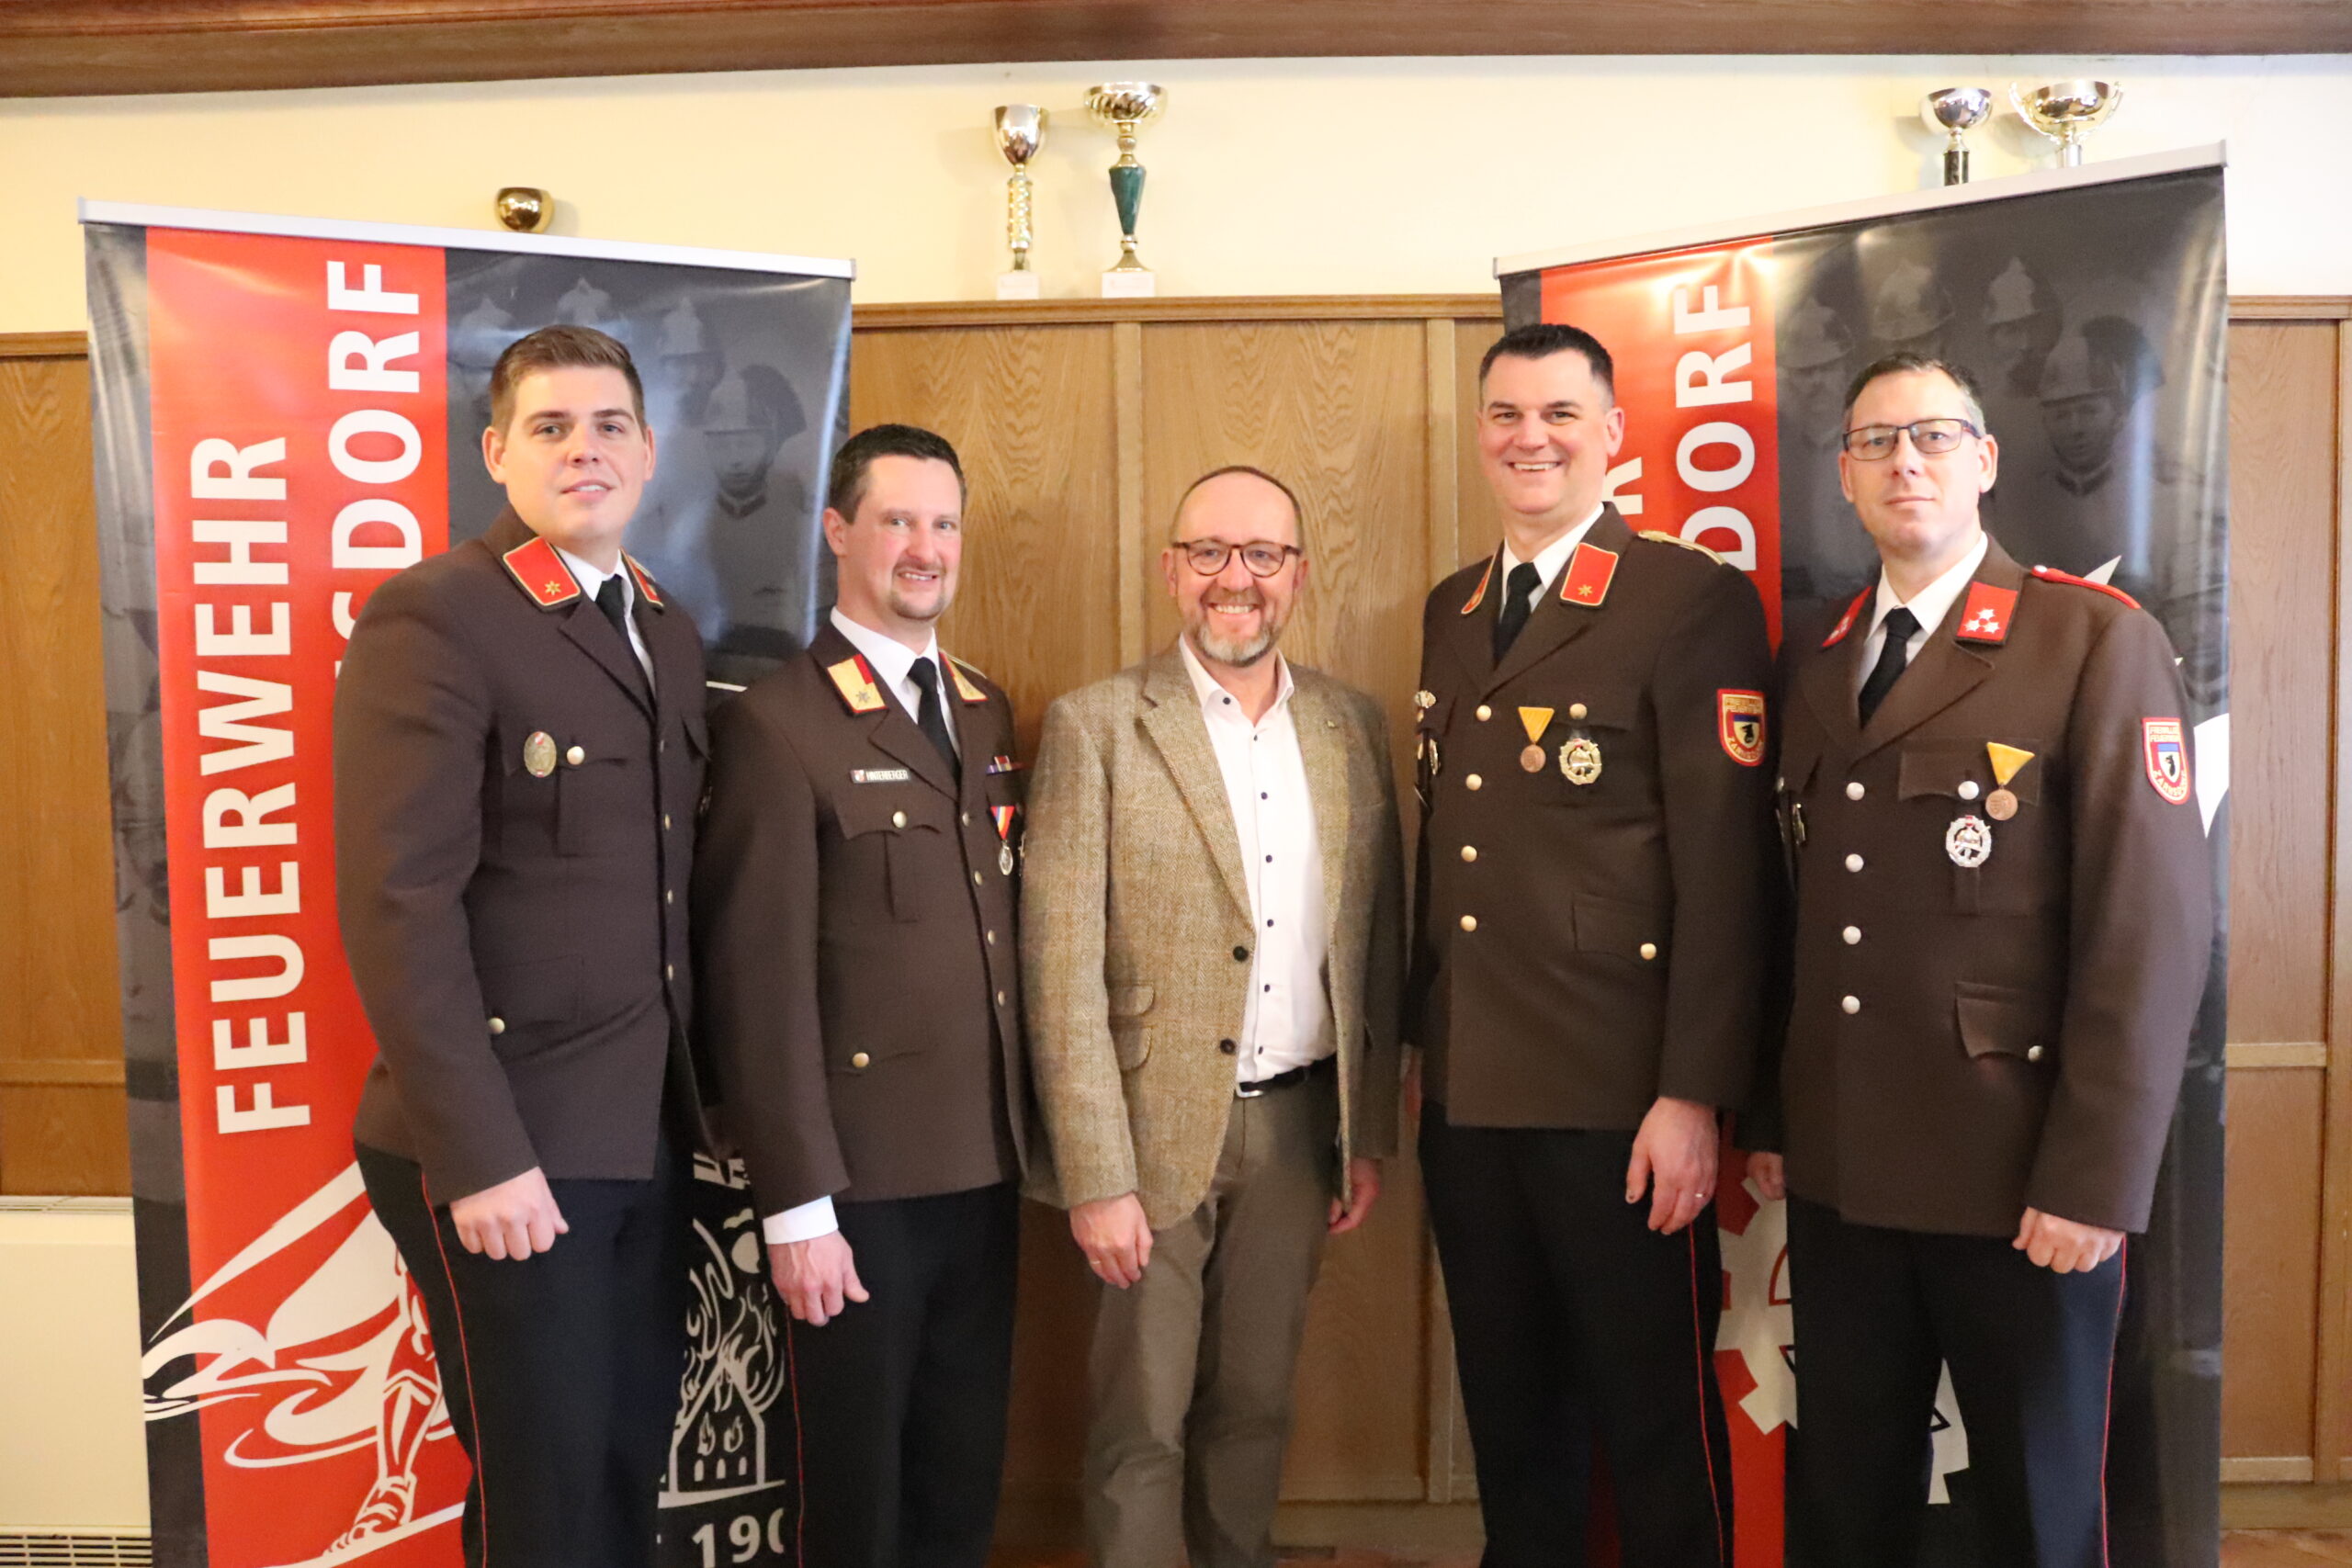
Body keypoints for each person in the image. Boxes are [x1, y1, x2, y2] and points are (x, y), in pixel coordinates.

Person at [1746, 352, 2212, 1567]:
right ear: (1844, 475)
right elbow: (1804, 915)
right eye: (1876, 441)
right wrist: (1778, 1118)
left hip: (2019, 1178)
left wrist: (2095, 1177)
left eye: (1934, 436)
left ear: (1986, 461)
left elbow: (2149, 927)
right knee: (1847, 1506)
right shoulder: (1822, 660)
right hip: (1846, 1170)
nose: (1904, 461)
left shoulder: (2088, 638)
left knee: (2035, 1514)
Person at [335, 322, 713, 1568]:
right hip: (514, 1141)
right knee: (543, 1500)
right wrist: (483, 1155)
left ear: (648, 451)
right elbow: (400, 904)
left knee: (621, 1465)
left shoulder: (662, 627)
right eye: (550, 427)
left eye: (608, 426)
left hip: (638, 1129)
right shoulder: (439, 614)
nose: (583, 449)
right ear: (496, 453)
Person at [1408, 322, 1778, 1567]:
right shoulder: (1454, 608)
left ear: (1613, 434)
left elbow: (1725, 872)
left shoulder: (1685, 598)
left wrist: (1693, 1093)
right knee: (1512, 1420)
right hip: (1471, 1096)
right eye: (1507, 414)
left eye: (1560, 414)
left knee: (1654, 1421)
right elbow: (1451, 853)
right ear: (1480, 433)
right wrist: (1422, 1050)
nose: (1532, 438)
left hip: (1620, 1103)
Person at [1023, 466, 1406, 1568]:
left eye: (1262, 555)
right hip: (1146, 1138)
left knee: (1254, 1406)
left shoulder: (1348, 725)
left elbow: (1373, 941)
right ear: (1171, 570)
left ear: (1298, 574)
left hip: (1299, 1130)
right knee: (1141, 1422)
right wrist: (1095, 1175)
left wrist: (1364, 1132)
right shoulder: (1098, 726)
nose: (1235, 579)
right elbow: (1057, 968)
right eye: (1209, 553)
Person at [693, 423, 1034, 1568]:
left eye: (943, 524)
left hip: (984, 1167)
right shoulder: (776, 724)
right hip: (858, 1191)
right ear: (838, 531)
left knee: (958, 1481)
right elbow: (756, 987)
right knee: (856, 1500)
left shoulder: (982, 711)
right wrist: (797, 1210)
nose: (924, 548)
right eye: (897, 521)